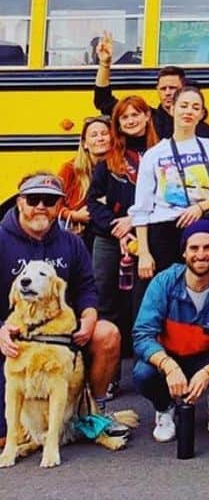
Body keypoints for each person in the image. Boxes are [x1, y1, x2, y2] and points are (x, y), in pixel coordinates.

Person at [0, 172, 123, 444]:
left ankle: (94, 411)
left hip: (59, 338)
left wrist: (89, 316)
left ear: (59, 206)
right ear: (20, 203)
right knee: (8, 436)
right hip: (13, 340)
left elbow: (87, 288)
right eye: (33, 199)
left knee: (108, 334)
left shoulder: (71, 242)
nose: (41, 206)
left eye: (50, 200)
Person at [131, 220, 209, 442]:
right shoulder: (164, 282)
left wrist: (208, 372)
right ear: (184, 253)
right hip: (170, 355)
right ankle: (165, 407)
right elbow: (142, 334)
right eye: (194, 248)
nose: (201, 254)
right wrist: (168, 366)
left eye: (208, 247)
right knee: (142, 374)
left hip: (208, 359)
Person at [131, 85, 209, 299]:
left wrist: (200, 207)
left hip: (202, 227)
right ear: (172, 108)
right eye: (183, 105)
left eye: (196, 107)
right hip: (163, 231)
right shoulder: (154, 154)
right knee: (157, 297)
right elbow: (142, 208)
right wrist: (144, 253)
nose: (189, 111)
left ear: (202, 114)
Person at [88, 96, 159, 380]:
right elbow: (93, 201)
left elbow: (165, 198)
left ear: (146, 117)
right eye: (124, 117)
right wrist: (114, 226)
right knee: (106, 302)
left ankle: (145, 371)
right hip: (109, 238)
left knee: (143, 304)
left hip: (147, 237)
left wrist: (135, 221)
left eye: (135, 115)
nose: (130, 121)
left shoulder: (160, 154)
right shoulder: (110, 159)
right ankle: (109, 375)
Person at [93, 31, 209, 139]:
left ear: (183, 90)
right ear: (157, 90)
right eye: (163, 89)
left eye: (173, 88)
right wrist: (105, 64)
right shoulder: (148, 118)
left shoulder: (200, 128)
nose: (168, 93)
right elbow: (103, 101)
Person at [58, 115, 113, 242]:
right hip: (78, 234)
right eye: (94, 135)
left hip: (108, 231)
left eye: (104, 134)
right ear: (85, 144)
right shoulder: (70, 169)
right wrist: (74, 215)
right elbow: (54, 204)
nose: (100, 138)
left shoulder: (121, 168)